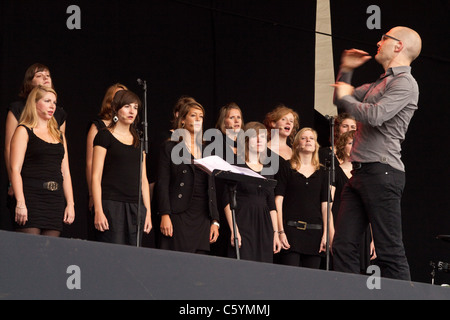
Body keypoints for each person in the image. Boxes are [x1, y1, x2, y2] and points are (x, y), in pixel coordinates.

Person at [332, 26, 422, 280]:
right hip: (361, 173)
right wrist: (346, 70)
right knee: (342, 246)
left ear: (399, 46)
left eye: (385, 38)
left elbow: (375, 115)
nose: (378, 42)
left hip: (382, 173)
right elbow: (341, 101)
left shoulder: (405, 83)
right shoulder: (380, 82)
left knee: (389, 253)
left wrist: (345, 93)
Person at [4, 63, 67, 229]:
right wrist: (13, 184)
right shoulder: (18, 111)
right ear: (29, 82)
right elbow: (10, 149)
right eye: (39, 75)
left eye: (48, 75)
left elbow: (61, 158)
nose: (45, 78)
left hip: (53, 192)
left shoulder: (58, 114)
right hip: (29, 186)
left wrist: (71, 202)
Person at [9, 85, 74, 236]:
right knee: (30, 252)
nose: (52, 106)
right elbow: (15, 169)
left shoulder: (59, 135)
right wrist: (20, 202)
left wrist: (70, 203)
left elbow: (65, 171)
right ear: (35, 103)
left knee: (50, 252)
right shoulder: (24, 130)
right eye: (47, 101)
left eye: (54, 102)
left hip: (54, 199)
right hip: (31, 197)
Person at [156, 100, 220, 254]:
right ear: (183, 120)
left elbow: (212, 188)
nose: (198, 119)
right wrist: (165, 214)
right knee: (177, 263)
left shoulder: (208, 151)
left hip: (203, 216)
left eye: (201, 116)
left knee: (199, 267)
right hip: (179, 214)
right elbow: (162, 183)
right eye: (193, 115)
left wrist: (215, 221)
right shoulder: (170, 147)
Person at [91, 90, 152, 245]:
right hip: (111, 204)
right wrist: (98, 210)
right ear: (116, 108)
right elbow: (96, 176)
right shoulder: (104, 136)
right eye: (127, 106)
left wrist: (148, 213)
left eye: (135, 107)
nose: (132, 111)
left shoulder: (139, 140)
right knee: (111, 255)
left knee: (133, 258)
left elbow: (143, 179)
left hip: (135, 206)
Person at [274, 127, 334, 269]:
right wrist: (280, 231)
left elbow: (326, 206)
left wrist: (326, 234)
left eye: (311, 138)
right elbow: (278, 201)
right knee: (289, 278)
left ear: (315, 145)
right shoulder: (286, 167)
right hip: (291, 232)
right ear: (296, 144)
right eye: (304, 138)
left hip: (315, 235)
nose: (308, 140)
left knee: (310, 282)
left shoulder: (323, 172)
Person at [223, 122, 281, 262]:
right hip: (243, 221)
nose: (260, 140)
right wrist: (234, 229)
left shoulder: (268, 169)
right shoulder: (235, 165)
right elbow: (226, 200)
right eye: (255, 136)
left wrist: (276, 233)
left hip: (264, 225)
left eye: (263, 136)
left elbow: (271, 204)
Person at [333, 130, 376, 271]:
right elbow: (329, 203)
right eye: (351, 143)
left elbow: (371, 207)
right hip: (340, 226)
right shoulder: (334, 171)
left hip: (363, 230)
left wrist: (374, 237)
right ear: (342, 147)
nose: (355, 146)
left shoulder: (366, 174)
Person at [86, 83, 128, 214]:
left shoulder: (131, 131)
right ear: (110, 100)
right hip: (104, 192)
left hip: (125, 193)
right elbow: (90, 162)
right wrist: (92, 194)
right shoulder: (98, 127)